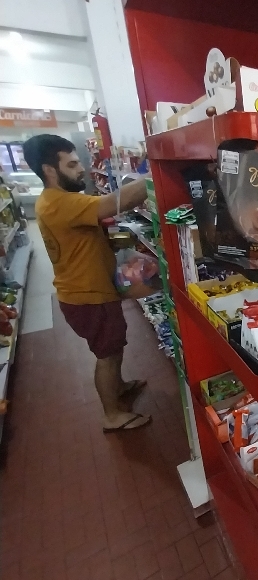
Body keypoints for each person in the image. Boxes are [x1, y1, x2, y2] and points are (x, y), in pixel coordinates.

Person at [24, 134, 152, 433]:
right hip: (88, 296)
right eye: (71, 164)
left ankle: (119, 387)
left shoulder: (53, 201)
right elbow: (116, 202)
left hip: (86, 291)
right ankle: (112, 415)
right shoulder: (59, 202)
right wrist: (156, 174)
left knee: (114, 346)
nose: (81, 168)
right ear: (49, 170)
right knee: (107, 355)